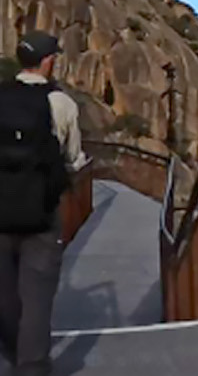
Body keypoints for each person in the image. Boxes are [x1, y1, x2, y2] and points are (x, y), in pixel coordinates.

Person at [0, 32, 84, 376]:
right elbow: (73, 158)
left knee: (4, 291)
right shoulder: (61, 104)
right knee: (36, 295)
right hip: (41, 212)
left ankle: (10, 350)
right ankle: (31, 367)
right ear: (48, 61)